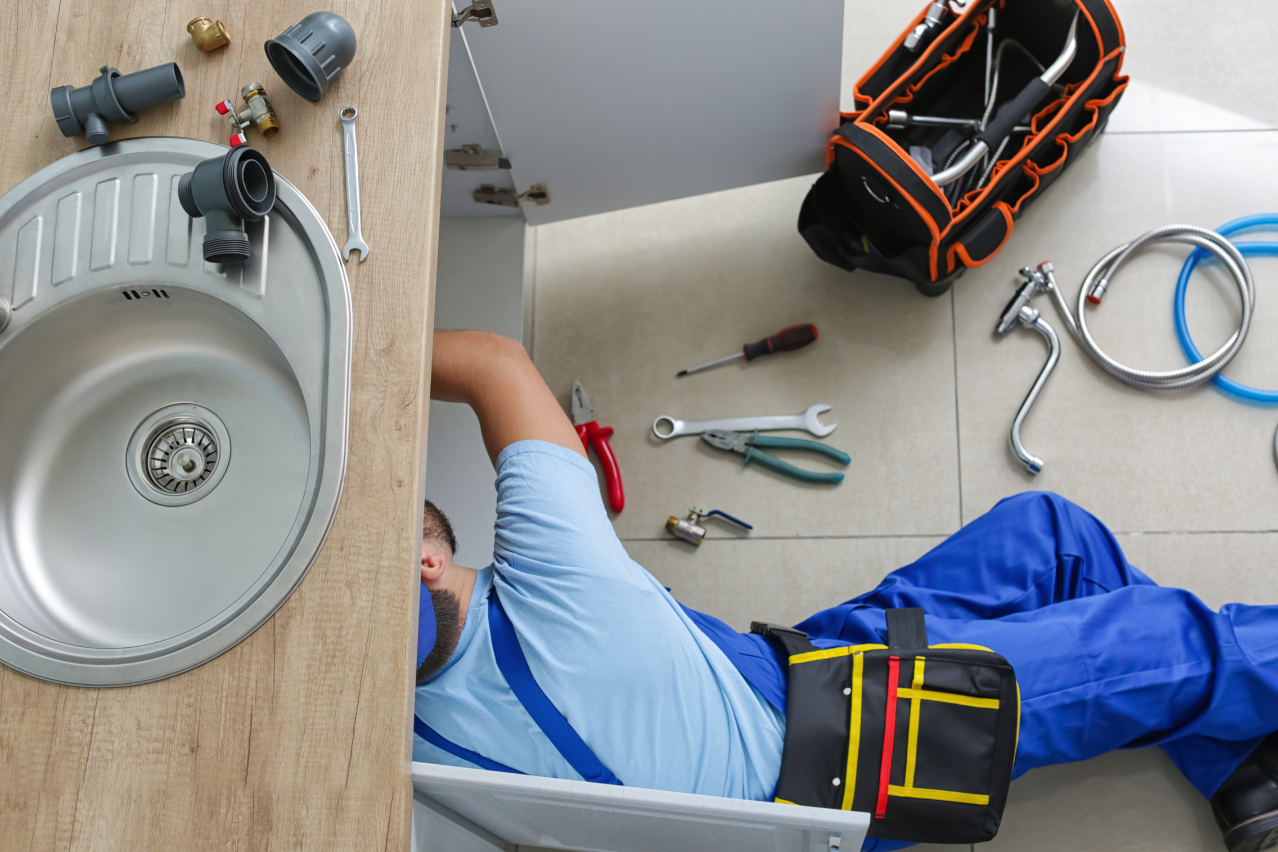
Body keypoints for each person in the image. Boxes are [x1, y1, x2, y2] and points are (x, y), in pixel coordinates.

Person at [414, 330, 1278, 852]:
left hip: (779, 680)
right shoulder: (555, 584)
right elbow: (494, 364)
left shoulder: (408, 735)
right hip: (844, 762)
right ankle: (1237, 732)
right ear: (423, 563)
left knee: (1049, 539)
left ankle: (1245, 779)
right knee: (1164, 641)